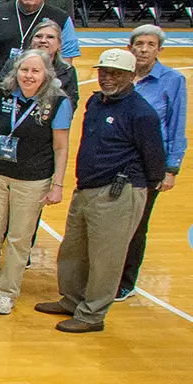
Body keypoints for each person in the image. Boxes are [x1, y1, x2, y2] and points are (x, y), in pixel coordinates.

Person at [36, 49, 167, 332]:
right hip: (86, 187)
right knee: (73, 249)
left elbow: (155, 158)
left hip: (118, 192)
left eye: (115, 73)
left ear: (131, 76)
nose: (107, 78)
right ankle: (72, 299)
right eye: (104, 72)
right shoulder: (95, 102)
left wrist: (140, 188)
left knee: (106, 257)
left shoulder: (142, 113)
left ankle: (92, 314)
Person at [0, 51, 72, 314]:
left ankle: (7, 293)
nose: (28, 75)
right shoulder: (4, 94)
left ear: (46, 74)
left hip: (32, 179)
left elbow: (61, 147)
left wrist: (57, 184)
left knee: (18, 239)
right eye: (24, 70)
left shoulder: (58, 102)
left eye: (35, 71)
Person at [115, 24, 184, 299]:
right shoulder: (120, 74)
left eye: (150, 45)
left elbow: (177, 125)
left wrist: (171, 168)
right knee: (111, 222)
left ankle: (126, 281)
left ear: (160, 50)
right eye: (139, 44)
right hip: (117, 159)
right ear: (129, 47)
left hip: (148, 163)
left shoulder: (173, 80)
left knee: (137, 225)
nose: (144, 49)